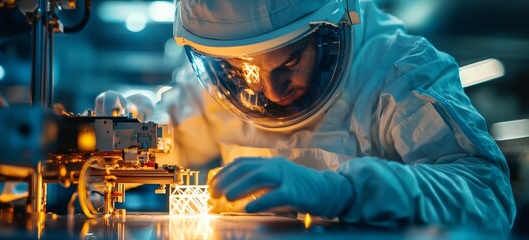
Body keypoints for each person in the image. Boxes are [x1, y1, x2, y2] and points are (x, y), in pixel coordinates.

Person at [162, 0, 515, 232]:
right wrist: (122, 131)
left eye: (290, 63)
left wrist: (345, 191)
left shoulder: (399, 73)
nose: (271, 92)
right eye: (244, 69)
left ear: (330, 33)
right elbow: (172, 136)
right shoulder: (227, 86)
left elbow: (487, 199)